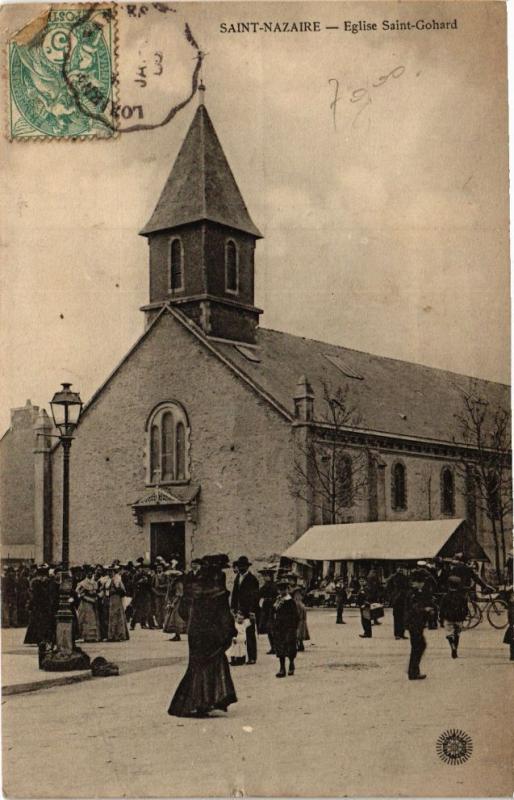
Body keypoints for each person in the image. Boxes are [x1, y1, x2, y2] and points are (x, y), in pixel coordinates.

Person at [168, 553, 237, 717]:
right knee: (212, 663)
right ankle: (203, 702)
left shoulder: (192, 589)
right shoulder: (219, 593)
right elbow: (225, 615)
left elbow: (183, 611)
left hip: (196, 632)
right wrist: (229, 631)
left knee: (196, 665)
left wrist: (194, 621)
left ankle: (198, 702)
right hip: (212, 632)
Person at [404, 570, 434, 680]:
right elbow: (414, 608)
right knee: (419, 646)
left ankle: (413, 669)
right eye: (421, 582)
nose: (423, 584)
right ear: (417, 582)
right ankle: (413, 671)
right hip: (414, 623)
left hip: (416, 623)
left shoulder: (416, 591)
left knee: (418, 646)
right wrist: (425, 609)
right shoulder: (413, 593)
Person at [230, 555, 260, 664]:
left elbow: (255, 597)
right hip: (238, 610)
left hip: (248, 610)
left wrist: (252, 611)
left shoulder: (252, 579)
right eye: (240, 566)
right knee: (238, 633)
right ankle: (240, 657)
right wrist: (232, 607)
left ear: (247, 567)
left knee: (249, 633)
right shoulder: (237, 577)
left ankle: (252, 657)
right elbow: (234, 593)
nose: (241, 568)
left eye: (243, 566)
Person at [272, 577, 299, 677]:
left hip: (289, 627)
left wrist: (293, 627)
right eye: (280, 589)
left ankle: (291, 664)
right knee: (280, 647)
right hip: (279, 627)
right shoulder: (278, 600)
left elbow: (296, 616)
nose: (282, 591)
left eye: (284, 589)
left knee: (290, 646)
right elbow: (274, 612)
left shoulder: (290, 601)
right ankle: (282, 667)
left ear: (287, 589)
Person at [24, 565, 54, 645]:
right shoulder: (47, 581)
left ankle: (38, 638)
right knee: (44, 622)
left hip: (38, 605)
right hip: (44, 605)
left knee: (37, 622)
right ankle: (44, 638)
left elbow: (33, 594)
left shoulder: (35, 581)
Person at [439, 575, 468, 658]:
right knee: (457, 634)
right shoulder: (462, 597)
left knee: (449, 634)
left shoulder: (445, 596)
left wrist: (441, 618)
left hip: (448, 617)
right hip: (459, 617)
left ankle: (452, 646)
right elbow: (465, 609)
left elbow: (442, 608)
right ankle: (455, 649)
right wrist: (464, 616)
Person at [76, 566, 101, 642]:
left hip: (94, 603)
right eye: (88, 573)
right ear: (86, 574)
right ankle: (87, 636)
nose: (90, 574)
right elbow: (79, 593)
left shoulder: (94, 583)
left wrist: (96, 598)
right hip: (86, 603)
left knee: (94, 618)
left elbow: (96, 592)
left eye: (91, 572)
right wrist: (89, 599)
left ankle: (94, 636)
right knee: (87, 619)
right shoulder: (83, 583)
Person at [106, 565, 129, 641]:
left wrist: (115, 591)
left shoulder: (117, 579)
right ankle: (112, 635)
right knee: (112, 616)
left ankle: (118, 635)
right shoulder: (109, 580)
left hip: (116, 598)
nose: (110, 573)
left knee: (117, 615)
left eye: (111, 571)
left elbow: (122, 590)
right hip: (111, 599)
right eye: (108, 571)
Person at [163, 566, 187, 641]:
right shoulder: (171, 583)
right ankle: (176, 634)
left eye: (172, 577)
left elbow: (179, 594)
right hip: (172, 601)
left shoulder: (178, 584)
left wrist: (173, 603)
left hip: (177, 602)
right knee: (172, 618)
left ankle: (178, 634)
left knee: (176, 618)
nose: (170, 578)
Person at [257, 568, 278, 653]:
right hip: (266, 609)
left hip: (273, 609)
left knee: (273, 629)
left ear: (270, 576)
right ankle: (273, 647)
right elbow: (259, 594)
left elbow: (277, 598)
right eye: (264, 576)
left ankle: (276, 647)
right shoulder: (264, 586)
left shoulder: (275, 586)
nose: (265, 577)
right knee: (269, 629)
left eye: (266, 576)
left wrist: (267, 600)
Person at [386, 566, 409, 639]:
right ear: (396, 569)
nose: (401, 569)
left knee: (403, 617)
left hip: (404, 599)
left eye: (402, 568)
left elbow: (408, 587)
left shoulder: (405, 578)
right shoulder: (393, 578)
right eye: (399, 568)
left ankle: (402, 633)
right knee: (397, 617)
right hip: (396, 600)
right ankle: (397, 634)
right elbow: (388, 588)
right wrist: (391, 596)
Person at [130, 564, 154, 630]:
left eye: (147, 569)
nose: (146, 570)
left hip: (146, 594)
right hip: (139, 595)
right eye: (144, 569)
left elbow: (151, 586)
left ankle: (145, 624)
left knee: (147, 609)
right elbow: (132, 585)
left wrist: (147, 581)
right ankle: (132, 625)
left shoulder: (149, 576)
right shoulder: (136, 576)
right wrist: (139, 582)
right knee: (137, 610)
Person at [291, 584, 310, 651]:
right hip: (300, 620)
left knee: (298, 633)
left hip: (300, 620)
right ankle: (299, 644)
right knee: (299, 633)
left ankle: (299, 644)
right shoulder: (299, 603)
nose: (298, 596)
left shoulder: (298, 603)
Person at [152, 563, 168, 628]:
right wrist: (155, 591)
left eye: (160, 568)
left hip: (164, 594)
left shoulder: (165, 575)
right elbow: (152, 586)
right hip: (157, 595)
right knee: (157, 609)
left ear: (162, 568)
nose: (159, 569)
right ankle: (159, 624)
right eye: (158, 568)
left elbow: (168, 584)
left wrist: (161, 586)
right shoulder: (154, 576)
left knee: (164, 609)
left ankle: (165, 623)